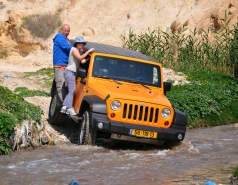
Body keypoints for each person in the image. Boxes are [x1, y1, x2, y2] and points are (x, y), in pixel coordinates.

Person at [60, 36, 94, 115]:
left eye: (82, 43)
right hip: (70, 72)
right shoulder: (74, 49)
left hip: (71, 72)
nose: (81, 45)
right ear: (77, 44)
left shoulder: (78, 50)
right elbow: (80, 58)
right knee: (72, 91)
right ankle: (69, 107)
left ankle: (64, 107)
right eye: (80, 43)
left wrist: (90, 58)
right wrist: (88, 51)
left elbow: (82, 61)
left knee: (71, 91)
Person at [52, 24, 72, 105]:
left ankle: (64, 102)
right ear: (61, 30)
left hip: (65, 65)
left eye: (68, 31)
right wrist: (78, 51)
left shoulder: (66, 39)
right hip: (60, 65)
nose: (66, 32)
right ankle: (64, 105)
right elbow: (67, 48)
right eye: (65, 31)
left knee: (65, 85)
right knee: (60, 84)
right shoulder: (60, 37)